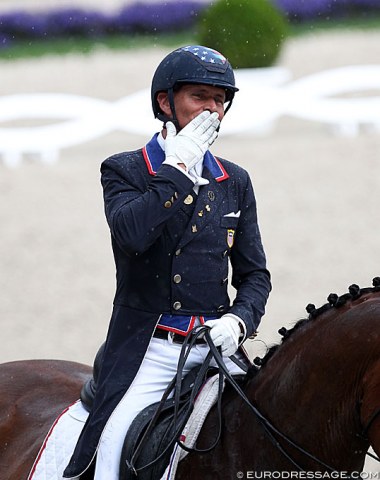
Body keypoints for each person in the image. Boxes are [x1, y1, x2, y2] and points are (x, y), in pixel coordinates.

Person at [63, 45, 271, 480]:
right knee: (110, 447)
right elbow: (133, 235)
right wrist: (177, 166)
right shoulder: (125, 170)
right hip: (150, 350)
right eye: (200, 97)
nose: (212, 110)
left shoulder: (235, 180)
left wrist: (238, 321)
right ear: (165, 102)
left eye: (220, 100)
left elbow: (254, 275)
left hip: (216, 343)